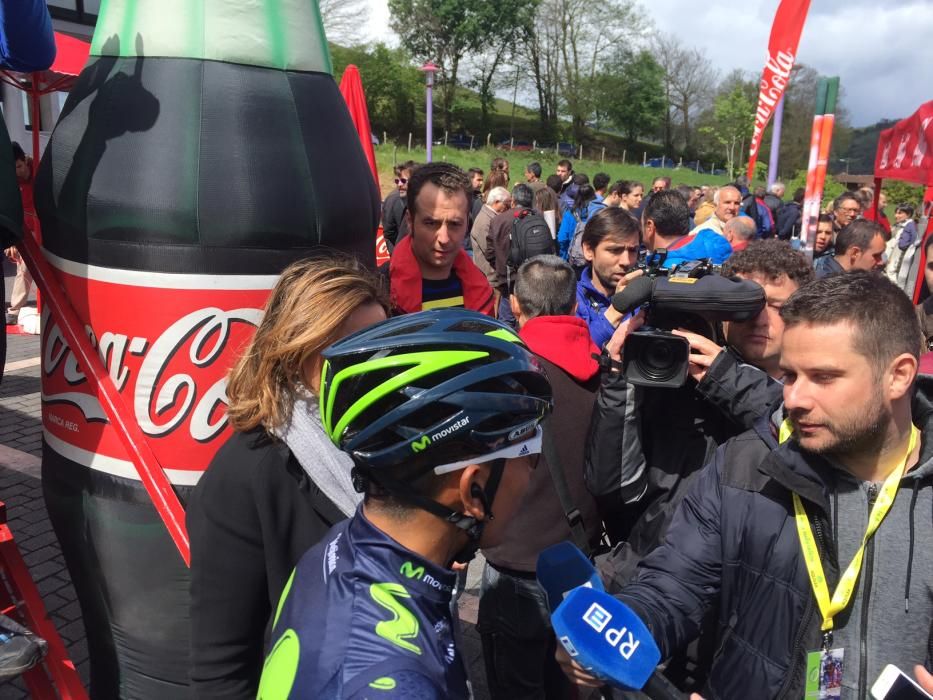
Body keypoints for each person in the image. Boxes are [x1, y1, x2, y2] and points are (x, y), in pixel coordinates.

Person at [567, 272, 933, 699]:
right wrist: (619, 627)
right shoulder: (745, 463)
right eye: (791, 375)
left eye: (824, 377)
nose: (794, 398)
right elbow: (672, 586)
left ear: (899, 375)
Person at [258, 310, 553, 699]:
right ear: (473, 490)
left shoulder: (337, 547)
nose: (533, 472)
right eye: (529, 453)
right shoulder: (395, 687)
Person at [187, 256, 390, 699]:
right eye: (347, 351)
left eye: (378, 347)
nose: (370, 367)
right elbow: (221, 670)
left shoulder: (378, 439)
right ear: (294, 348)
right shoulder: (242, 478)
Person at [479, 256, 602, 700]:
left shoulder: (504, 375)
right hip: (578, 560)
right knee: (569, 685)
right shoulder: (602, 371)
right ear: (573, 307)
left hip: (513, 559)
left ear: (515, 304)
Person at [387, 162, 494, 315]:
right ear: (410, 221)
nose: (443, 238)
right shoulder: (380, 292)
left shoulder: (482, 291)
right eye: (431, 223)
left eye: (455, 224)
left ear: (467, 225)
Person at [575, 207, 640, 348]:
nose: (626, 261)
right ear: (588, 251)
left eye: (633, 250)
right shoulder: (571, 300)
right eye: (615, 250)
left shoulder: (644, 298)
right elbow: (576, 352)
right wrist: (616, 311)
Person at [485, 183, 537, 325]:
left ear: (513, 200)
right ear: (531, 201)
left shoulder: (498, 220)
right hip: (535, 279)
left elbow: (489, 251)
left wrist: (500, 265)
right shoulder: (539, 218)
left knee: (506, 322)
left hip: (507, 280)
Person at [4, 142, 34, 326]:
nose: (17, 172)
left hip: (45, 228)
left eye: (19, 166)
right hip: (25, 232)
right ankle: (14, 310)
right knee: (24, 268)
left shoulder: (41, 172)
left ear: (25, 161)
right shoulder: (10, 182)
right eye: (13, 168)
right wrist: (10, 241)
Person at [814, 219, 886, 279]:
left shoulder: (853, 281)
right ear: (855, 253)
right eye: (876, 255)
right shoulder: (826, 288)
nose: (881, 262)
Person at [469, 186, 510, 288]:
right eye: (506, 204)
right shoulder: (485, 222)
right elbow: (491, 252)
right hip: (490, 280)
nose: (509, 208)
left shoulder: (490, 217)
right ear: (496, 202)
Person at [381, 161, 416, 252]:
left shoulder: (423, 204)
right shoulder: (394, 200)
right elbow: (389, 233)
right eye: (397, 181)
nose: (399, 184)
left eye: (403, 181)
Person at [557, 183, 596, 261]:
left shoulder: (569, 214)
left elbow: (562, 238)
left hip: (573, 258)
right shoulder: (597, 214)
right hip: (592, 257)